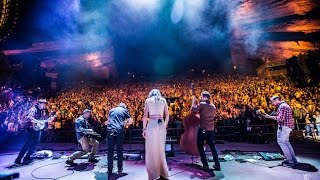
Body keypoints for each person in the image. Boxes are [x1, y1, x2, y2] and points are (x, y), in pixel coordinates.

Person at [142, 89, 169, 180]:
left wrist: (144, 129)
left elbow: (145, 116)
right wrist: (164, 125)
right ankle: (163, 172)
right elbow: (167, 115)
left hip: (152, 124)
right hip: (161, 124)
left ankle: (153, 175)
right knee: (161, 149)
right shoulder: (163, 100)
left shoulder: (148, 101)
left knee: (151, 150)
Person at [264, 95, 298, 166]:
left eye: (272, 101)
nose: (271, 103)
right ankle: (292, 159)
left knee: (282, 142)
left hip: (285, 126)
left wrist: (269, 117)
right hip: (285, 126)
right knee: (286, 142)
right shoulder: (283, 106)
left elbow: (280, 118)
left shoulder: (282, 106)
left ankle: (290, 161)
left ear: (276, 100)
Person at [191, 91, 220, 172]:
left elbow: (193, 110)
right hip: (211, 129)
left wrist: (193, 102)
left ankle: (205, 165)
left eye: (202, 96)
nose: (201, 98)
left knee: (200, 145)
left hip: (203, 128)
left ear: (205, 97)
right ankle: (217, 165)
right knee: (212, 147)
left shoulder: (202, 104)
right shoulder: (213, 106)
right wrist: (200, 115)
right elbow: (207, 116)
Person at [14, 99, 49, 165]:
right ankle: (18, 159)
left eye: (45, 104)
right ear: (39, 103)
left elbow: (40, 120)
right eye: (43, 104)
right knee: (28, 144)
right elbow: (30, 117)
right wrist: (38, 122)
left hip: (37, 129)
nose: (44, 105)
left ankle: (27, 157)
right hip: (31, 129)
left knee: (36, 142)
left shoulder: (41, 111)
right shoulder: (33, 109)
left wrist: (45, 121)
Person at [106, 103, 132, 174]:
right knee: (119, 150)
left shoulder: (111, 110)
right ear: (124, 107)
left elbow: (107, 122)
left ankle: (109, 169)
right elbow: (130, 121)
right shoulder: (124, 110)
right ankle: (119, 169)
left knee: (110, 151)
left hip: (110, 130)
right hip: (119, 131)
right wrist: (124, 123)